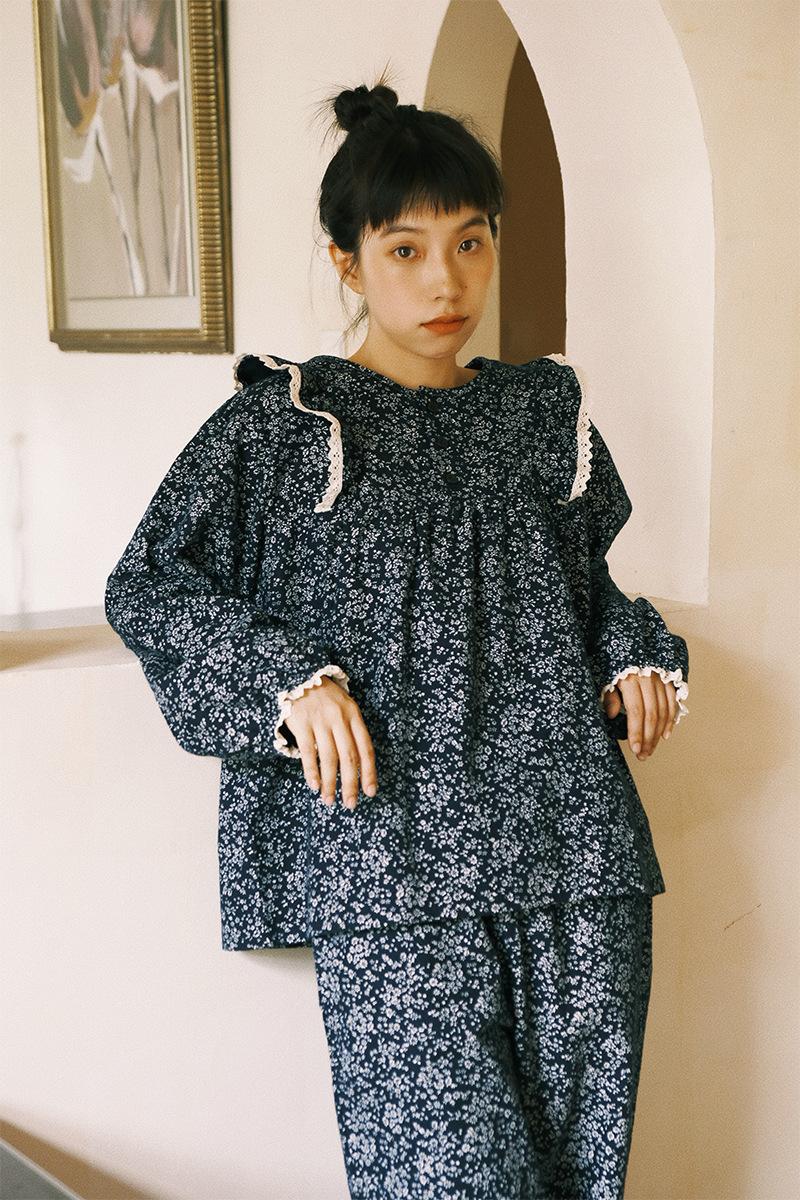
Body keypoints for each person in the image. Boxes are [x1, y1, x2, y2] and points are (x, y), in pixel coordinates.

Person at [105, 73, 690, 1200]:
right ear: (348, 261)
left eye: (470, 243)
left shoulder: (540, 415)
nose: (446, 281)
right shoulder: (284, 426)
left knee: (582, 1182)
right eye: (406, 250)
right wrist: (289, 682)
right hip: (388, 869)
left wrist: (633, 650)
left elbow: (586, 591)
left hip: (573, 848)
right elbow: (149, 584)